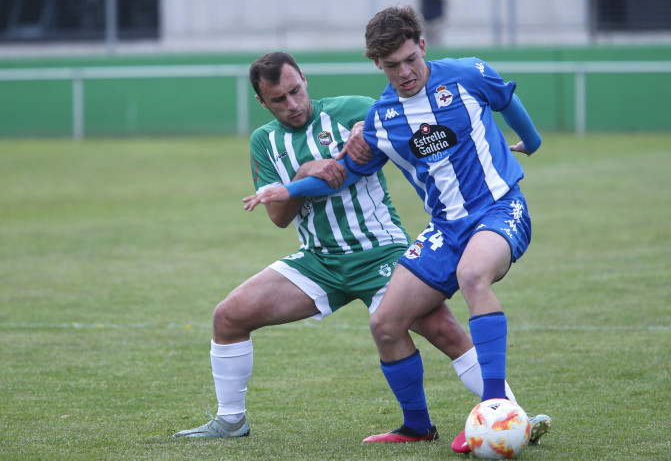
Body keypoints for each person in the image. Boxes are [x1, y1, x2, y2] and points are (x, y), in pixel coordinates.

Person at [244, 5, 552, 452]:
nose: (405, 72)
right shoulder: (382, 119)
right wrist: (288, 190)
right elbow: (346, 172)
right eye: (392, 65)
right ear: (377, 64)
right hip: (446, 229)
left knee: (472, 275)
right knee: (386, 323)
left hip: (500, 209)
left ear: (422, 45)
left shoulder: (468, 74)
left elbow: (507, 100)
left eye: (410, 59)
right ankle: (416, 427)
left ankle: (495, 411)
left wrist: (533, 142)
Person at [172, 51, 523, 441]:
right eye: (278, 100)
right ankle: (231, 420)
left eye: (296, 91)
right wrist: (304, 172)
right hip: (318, 261)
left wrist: (362, 128)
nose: (292, 105)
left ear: (304, 79)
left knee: (445, 331)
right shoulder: (264, 142)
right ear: (261, 102)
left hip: (382, 253)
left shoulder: (355, 108)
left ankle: (510, 414)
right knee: (228, 316)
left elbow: (406, 122)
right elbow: (279, 217)